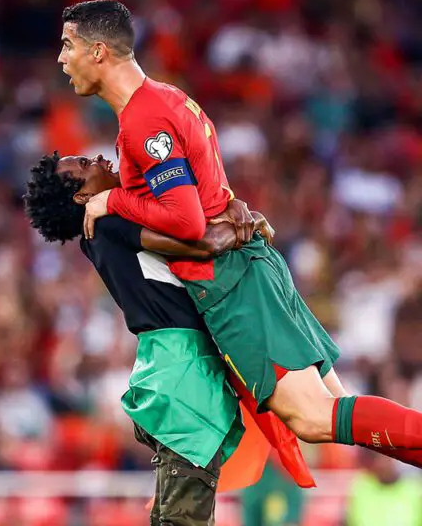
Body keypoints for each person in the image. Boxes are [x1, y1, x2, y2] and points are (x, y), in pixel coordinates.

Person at [36, 0, 422, 470]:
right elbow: (207, 200)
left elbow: (186, 222)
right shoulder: (165, 100)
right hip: (249, 270)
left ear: (98, 51)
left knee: (316, 419)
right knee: (340, 414)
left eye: (67, 45)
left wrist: (111, 201)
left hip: (232, 284)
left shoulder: (143, 122)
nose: (61, 58)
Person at [25, 152, 280, 524]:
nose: (96, 158)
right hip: (183, 374)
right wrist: (246, 226)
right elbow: (200, 243)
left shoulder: (105, 227)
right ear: (82, 198)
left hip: (168, 367)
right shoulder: (108, 222)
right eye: (82, 165)